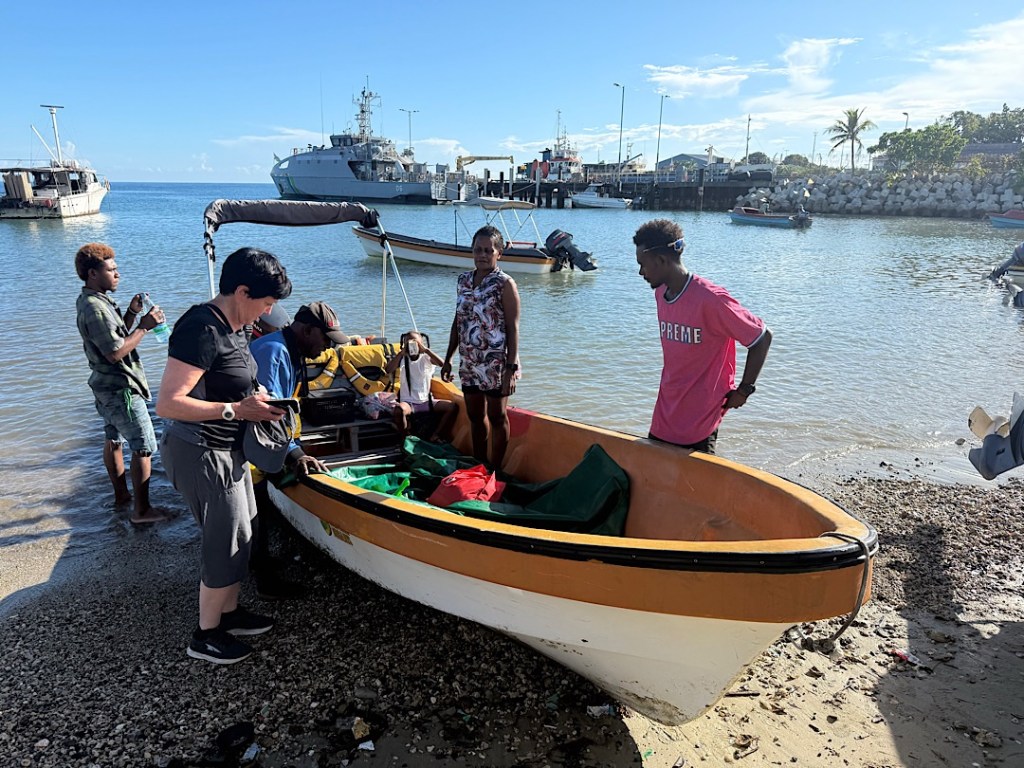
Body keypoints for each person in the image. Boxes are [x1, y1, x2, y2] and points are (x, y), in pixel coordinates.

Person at [156, 247, 292, 665]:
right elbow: (169, 403)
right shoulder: (201, 328)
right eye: (266, 302)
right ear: (242, 291)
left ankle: (229, 614)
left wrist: (257, 397)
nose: (268, 311)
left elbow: (231, 381)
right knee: (224, 542)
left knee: (244, 532)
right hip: (201, 450)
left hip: (229, 449)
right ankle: (206, 635)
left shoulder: (236, 327)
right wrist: (236, 410)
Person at [634, 219, 772, 455]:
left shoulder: (711, 300)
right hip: (666, 414)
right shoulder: (661, 292)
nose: (640, 272)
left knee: (695, 478)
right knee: (653, 472)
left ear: (661, 260)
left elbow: (761, 337)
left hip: (701, 421)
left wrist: (744, 389)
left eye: (643, 265)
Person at [248, 301, 349, 599]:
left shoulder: (289, 350)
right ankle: (264, 581)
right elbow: (269, 413)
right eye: (326, 339)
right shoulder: (274, 353)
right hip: (247, 446)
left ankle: (260, 560)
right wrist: (295, 454)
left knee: (259, 506)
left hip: (263, 442)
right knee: (253, 510)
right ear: (306, 330)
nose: (328, 347)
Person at [74, 242, 169, 525]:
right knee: (143, 446)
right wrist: (145, 327)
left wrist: (131, 313)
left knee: (113, 439)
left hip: (105, 386)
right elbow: (115, 353)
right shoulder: (96, 308)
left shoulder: (93, 300)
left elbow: (114, 337)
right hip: (121, 388)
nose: (118, 274)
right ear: (93, 273)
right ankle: (142, 512)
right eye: (111, 270)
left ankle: (122, 497)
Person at [440, 225, 520, 468]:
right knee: (475, 415)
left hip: (496, 361)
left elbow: (513, 327)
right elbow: (458, 321)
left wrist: (511, 368)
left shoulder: (505, 284)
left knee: (497, 416)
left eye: (488, 250)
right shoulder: (463, 280)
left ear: (499, 253)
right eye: (478, 250)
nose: (482, 255)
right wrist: (448, 358)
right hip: (470, 360)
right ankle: (479, 464)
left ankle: (495, 470)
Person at [385, 330, 457, 440]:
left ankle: (436, 434)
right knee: (399, 410)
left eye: (415, 342)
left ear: (421, 343)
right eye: (408, 342)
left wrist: (426, 350)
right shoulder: (402, 359)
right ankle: (406, 438)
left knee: (452, 407)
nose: (412, 345)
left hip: (426, 401)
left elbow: (442, 364)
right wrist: (401, 353)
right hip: (409, 402)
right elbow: (388, 370)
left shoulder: (426, 358)